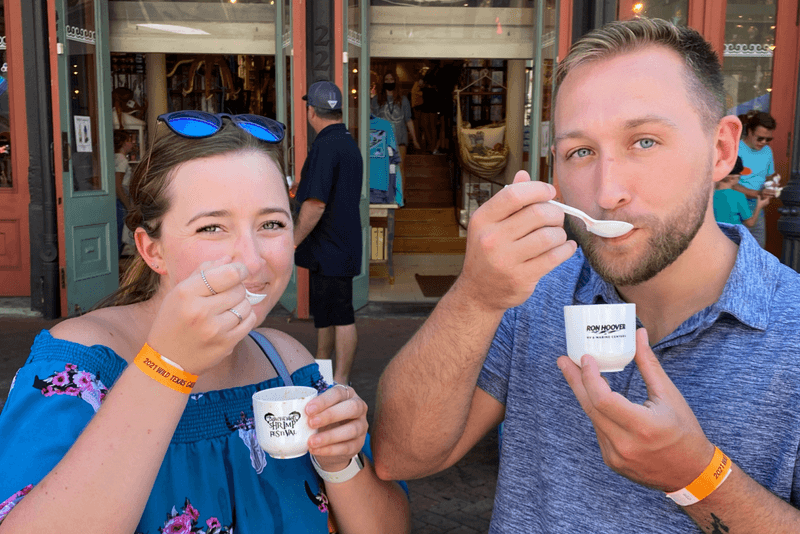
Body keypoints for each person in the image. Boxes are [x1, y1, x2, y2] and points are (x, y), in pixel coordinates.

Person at [372, 18, 800, 533]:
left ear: (721, 150)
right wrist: (476, 295)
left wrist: (698, 476)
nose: (606, 191)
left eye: (644, 141)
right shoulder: (537, 290)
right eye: (581, 152)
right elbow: (403, 457)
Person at [0, 111, 410, 534]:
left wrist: (341, 465)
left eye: (271, 224)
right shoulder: (78, 365)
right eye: (212, 227)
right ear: (151, 250)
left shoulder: (287, 363)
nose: (252, 260)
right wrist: (168, 365)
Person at [295, 82, 363, 387]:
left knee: (341, 315)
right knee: (326, 314)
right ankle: (323, 372)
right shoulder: (347, 143)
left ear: (311, 112)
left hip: (330, 246)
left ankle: (341, 380)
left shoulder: (325, 145)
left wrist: (292, 239)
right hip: (339, 243)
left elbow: (316, 203)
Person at [731, 110, 778, 247]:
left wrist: (771, 187)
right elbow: (727, 183)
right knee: (733, 252)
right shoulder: (736, 149)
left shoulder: (767, 151)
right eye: (760, 138)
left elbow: (769, 176)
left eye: (768, 139)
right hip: (735, 207)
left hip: (757, 208)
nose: (764, 142)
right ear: (750, 132)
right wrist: (758, 193)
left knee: (758, 252)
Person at [370, 69, 421, 185]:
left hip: (400, 139)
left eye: (391, 79)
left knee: (399, 168)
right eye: (386, 79)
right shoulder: (376, 100)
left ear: (395, 81)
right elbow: (372, 121)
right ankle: (386, 198)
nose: (389, 82)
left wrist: (415, 139)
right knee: (383, 170)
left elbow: (408, 120)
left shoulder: (403, 99)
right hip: (382, 140)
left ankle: (400, 198)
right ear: (383, 82)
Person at [713, 156, 769, 227]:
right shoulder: (739, 196)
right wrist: (759, 206)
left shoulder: (710, 195)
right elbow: (750, 223)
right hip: (732, 237)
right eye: (739, 176)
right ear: (732, 178)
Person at [113, 130, 134, 257]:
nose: (132, 143)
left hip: (115, 201)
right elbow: (118, 184)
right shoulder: (122, 160)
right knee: (119, 232)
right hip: (119, 202)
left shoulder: (113, 158)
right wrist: (128, 205)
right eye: (129, 140)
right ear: (123, 143)